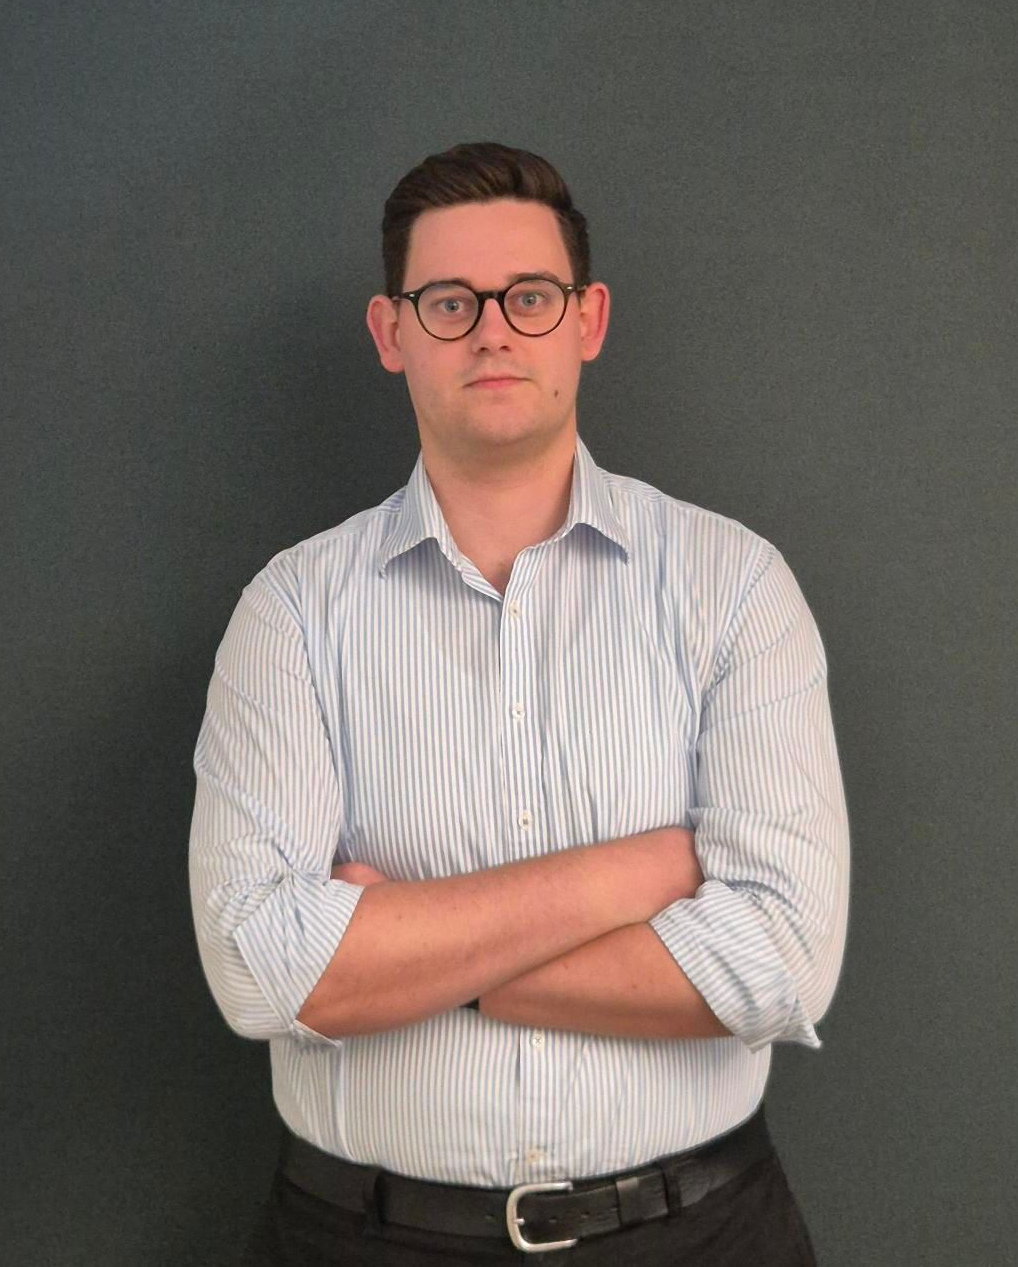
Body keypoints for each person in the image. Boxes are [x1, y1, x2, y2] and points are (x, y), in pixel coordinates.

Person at [188, 140, 850, 1265]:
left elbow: (778, 959)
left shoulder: (731, 583)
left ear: (585, 320)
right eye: (447, 301)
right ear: (390, 333)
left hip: (699, 1235)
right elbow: (260, 968)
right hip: (362, 1238)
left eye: (527, 297)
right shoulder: (291, 610)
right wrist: (638, 870)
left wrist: (408, 961)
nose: (491, 329)